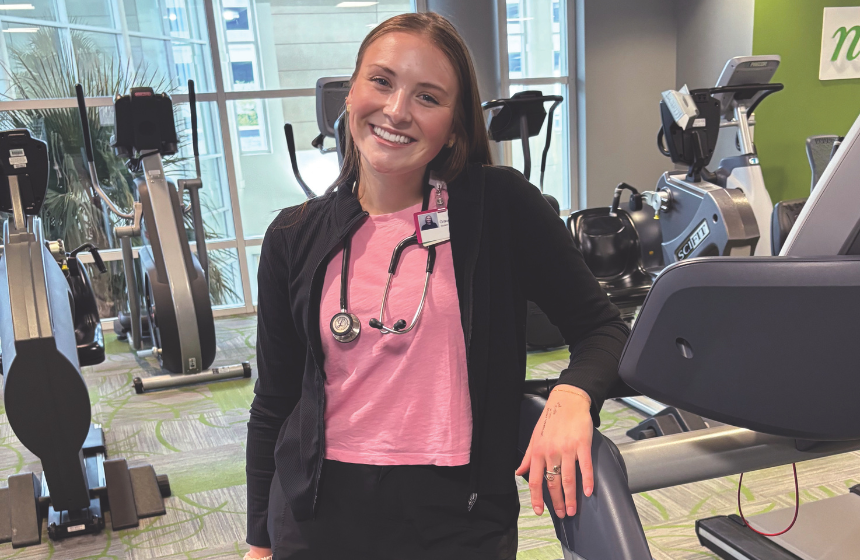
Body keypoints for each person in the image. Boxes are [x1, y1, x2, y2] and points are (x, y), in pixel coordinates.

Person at [245, 12, 627, 560]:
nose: (397, 110)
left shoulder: (499, 208)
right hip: (317, 515)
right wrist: (260, 543)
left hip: (457, 519)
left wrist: (571, 398)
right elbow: (275, 402)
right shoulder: (293, 235)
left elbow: (603, 328)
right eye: (381, 81)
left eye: (428, 97)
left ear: (455, 124)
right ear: (350, 93)